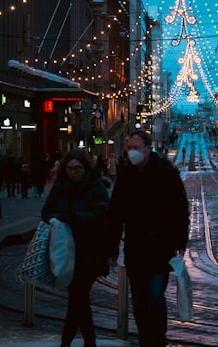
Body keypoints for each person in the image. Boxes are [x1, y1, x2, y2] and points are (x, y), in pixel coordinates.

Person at [109, 131, 190, 347]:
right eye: (129, 148)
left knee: (154, 295)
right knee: (138, 300)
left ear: (147, 148)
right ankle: (146, 338)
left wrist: (180, 241)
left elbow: (180, 210)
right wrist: (112, 247)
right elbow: (116, 213)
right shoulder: (126, 175)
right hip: (135, 247)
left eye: (136, 147)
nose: (132, 152)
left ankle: (158, 338)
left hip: (159, 247)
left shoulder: (165, 173)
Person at [42, 149, 110, 347]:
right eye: (70, 168)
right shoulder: (60, 188)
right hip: (65, 252)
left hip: (89, 252)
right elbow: (46, 211)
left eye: (77, 168)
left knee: (77, 297)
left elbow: (101, 215)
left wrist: (73, 218)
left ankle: (69, 342)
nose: (73, 172)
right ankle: (88, 341)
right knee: (78, 299)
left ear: (85, 168)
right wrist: (56, 219)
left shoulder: (96, 187)